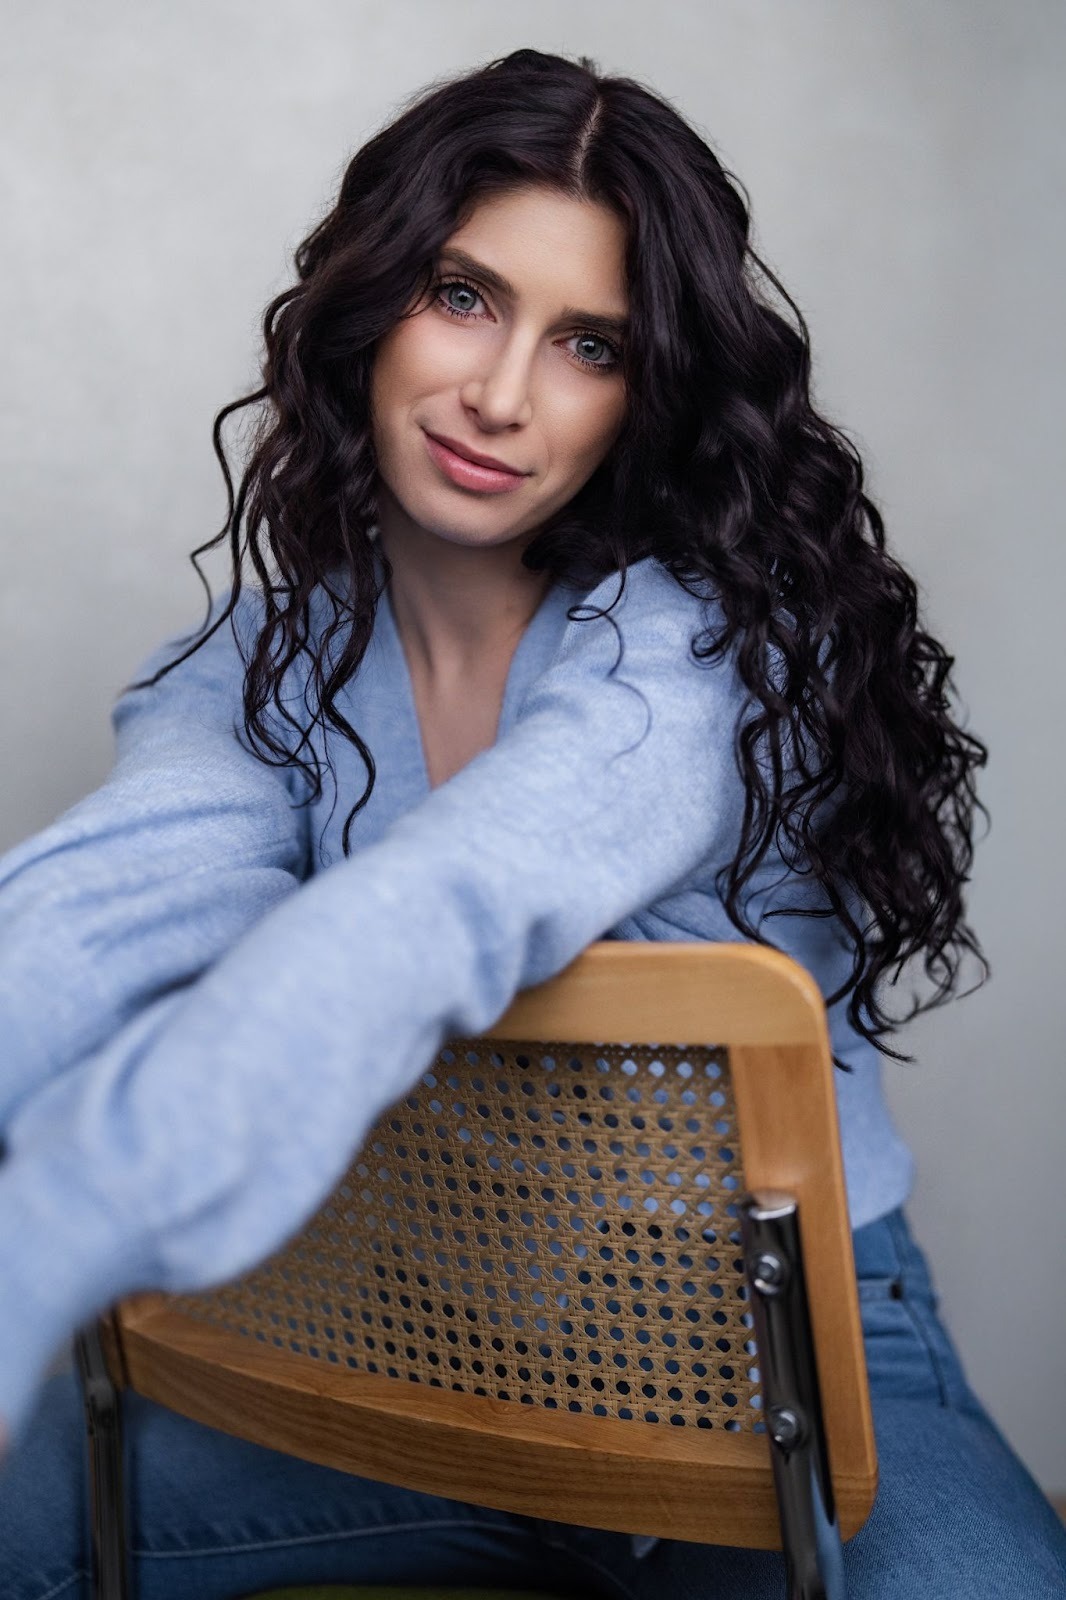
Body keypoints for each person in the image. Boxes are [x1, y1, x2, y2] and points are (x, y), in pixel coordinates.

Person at [0, 44, 1062, 1600]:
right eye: (464, 297)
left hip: (776, 1363)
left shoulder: (699, 652)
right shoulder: (261, 663)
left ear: (649, 396)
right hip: (400, 1349)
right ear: (371, 305)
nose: (501, 397)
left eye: (589, 345)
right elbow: (80, 922)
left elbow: (434, 910)